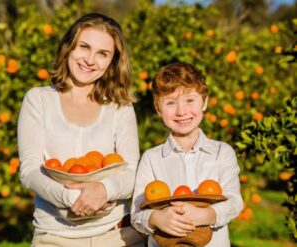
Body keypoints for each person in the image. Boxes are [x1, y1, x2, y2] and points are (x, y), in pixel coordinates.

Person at [17, 13, 145, 247]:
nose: (90, 59)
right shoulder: (39, 100)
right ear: (68, 47)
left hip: (117, 236)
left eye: (102, 54)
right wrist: (73, 199)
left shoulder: (120, 106)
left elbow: (132, 171)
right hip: (55, 237)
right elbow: (30, 171)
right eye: (84, 47)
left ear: (113, 62)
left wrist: (105, 191)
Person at [130, 62, 243, 246]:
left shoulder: (222, 153)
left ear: (204, 102)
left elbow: (234, 202)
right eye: (170, 103)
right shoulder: (151, 158)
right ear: (158, 109)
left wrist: (204, 215)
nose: (181, 111)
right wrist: (156, 218)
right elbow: (136, 212)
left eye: (190, 100)